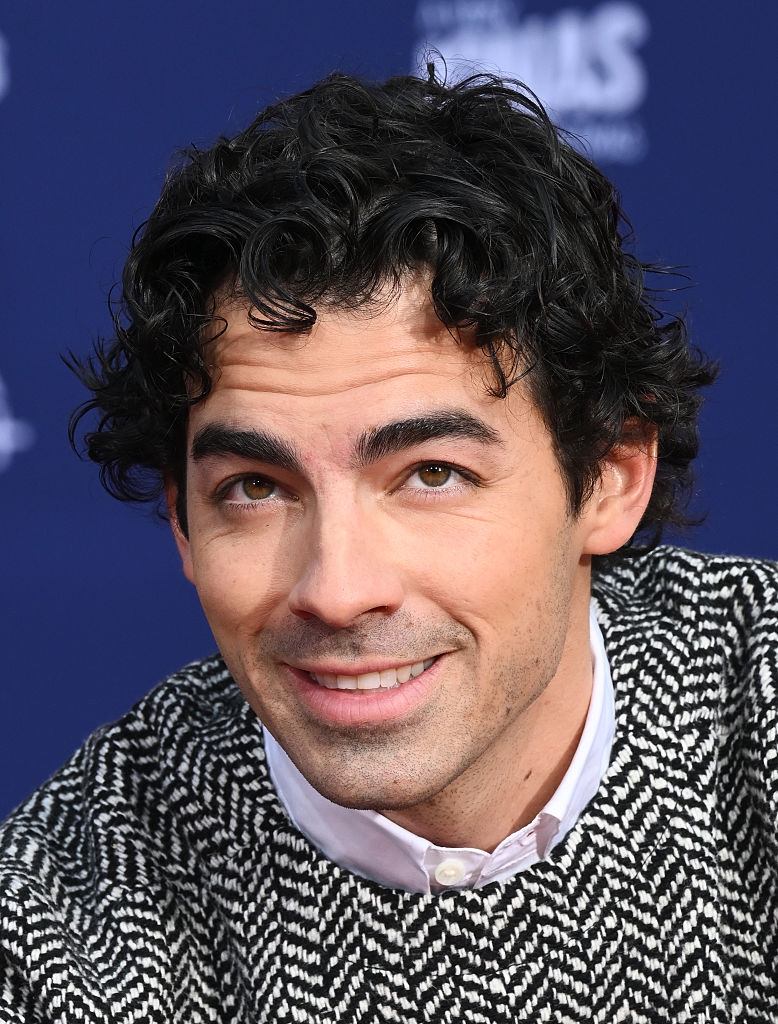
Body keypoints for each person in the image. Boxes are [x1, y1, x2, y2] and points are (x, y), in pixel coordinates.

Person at [1, 68, 775, 1023]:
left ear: (610, 477)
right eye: (256, 488)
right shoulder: (57, 924)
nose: (337, 589)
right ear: (183, 524)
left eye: (432, 475)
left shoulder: (761, 706)